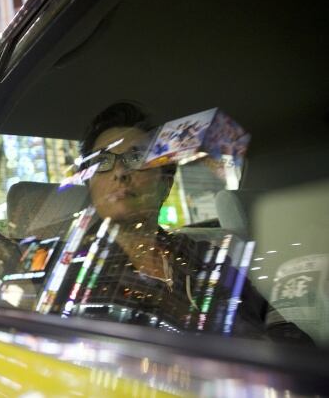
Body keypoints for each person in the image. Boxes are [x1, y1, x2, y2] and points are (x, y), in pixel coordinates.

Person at [72, 102, 312, 344]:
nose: (120, 172)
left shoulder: (204, 256)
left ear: (165, 184)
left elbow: (278, 327)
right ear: (89, 186)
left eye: (136, 157)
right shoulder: (73, 269)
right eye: (102, 161)